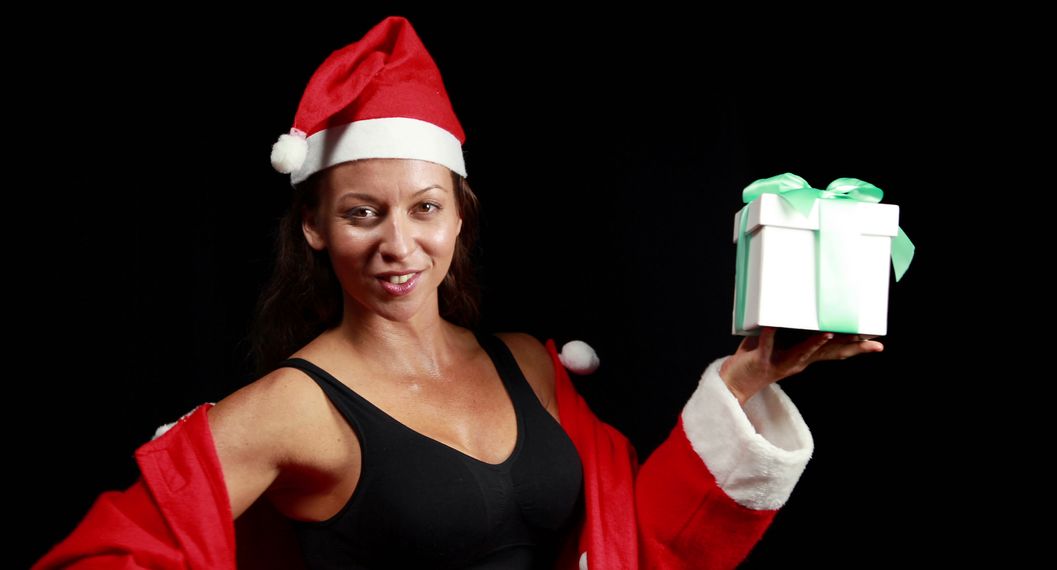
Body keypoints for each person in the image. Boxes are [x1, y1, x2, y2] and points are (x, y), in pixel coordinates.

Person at [33, 15, 885, 570]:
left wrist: (740, 387)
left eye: (425, 208)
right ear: (314, 227)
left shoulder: (530, 366)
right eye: (362, 213)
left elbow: (641, 543)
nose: (398, 245)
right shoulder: (293, 406)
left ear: (459, 217)